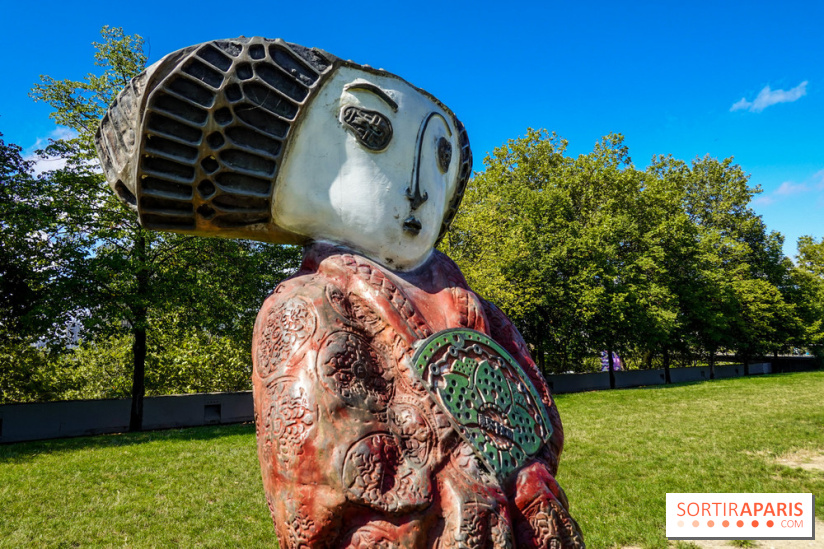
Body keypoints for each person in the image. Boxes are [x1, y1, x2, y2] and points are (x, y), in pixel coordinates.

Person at [97, 36, 584, 549]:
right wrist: (459, 459)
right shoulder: (303, 303)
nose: (420, 186)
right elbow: (324, 456)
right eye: (370, 130)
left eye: (442, 158)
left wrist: (524, 467)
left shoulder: (477, 309)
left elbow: (538, 416)